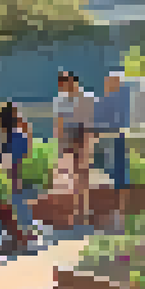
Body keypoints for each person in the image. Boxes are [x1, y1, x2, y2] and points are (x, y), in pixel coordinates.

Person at [53, 70, 96, 222]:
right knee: (73, 173)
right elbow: (59, 123)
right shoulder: (60, 100)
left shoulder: (87, 98)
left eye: (66, 82)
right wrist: (60, 144)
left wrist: (88, 141)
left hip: (83, 133)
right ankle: (78, 208)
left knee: (83, 172)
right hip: (69, 135)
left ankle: (84, 208)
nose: (64, 87)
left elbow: (91, 121)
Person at [0, 102, 37, 249]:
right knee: (20, 207)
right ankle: (24, 236)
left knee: (19, 207)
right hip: (16, 176)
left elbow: (11, 157)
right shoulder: (16, 136)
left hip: (15, 176)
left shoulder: (14, 137)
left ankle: (24, 238)